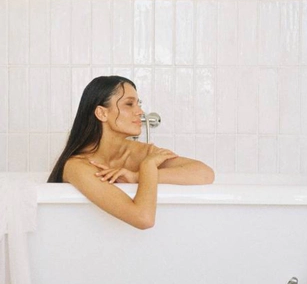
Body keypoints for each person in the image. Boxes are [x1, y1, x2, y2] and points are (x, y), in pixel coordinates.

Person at [48, 76, 214, 230]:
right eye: (129, 104)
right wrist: (148, 166)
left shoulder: (140, 151)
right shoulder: (77, 167)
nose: (140, 112)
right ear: (102, 113)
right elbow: (144, 218)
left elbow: (205, 174)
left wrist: (136, 177)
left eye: (138, 104)